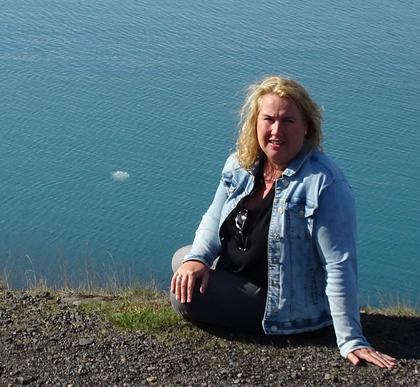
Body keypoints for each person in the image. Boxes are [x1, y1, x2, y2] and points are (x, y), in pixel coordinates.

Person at [169, 76, 396, 369]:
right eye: (269, 119)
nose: (277, 131)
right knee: (183, 260)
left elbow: (340, 263)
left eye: (288, 121)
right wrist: (198, 259)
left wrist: (351, 339)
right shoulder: (241, 164)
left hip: (281, 301)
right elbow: (214, 217)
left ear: (306, 127)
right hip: (242, 272)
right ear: (255, 122)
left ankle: (285, 321)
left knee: (184, 300)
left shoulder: (324, 184)